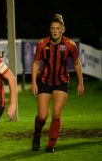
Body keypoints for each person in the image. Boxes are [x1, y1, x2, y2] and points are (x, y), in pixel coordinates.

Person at [31, 13, 84, 153]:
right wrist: (34, 83)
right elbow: (36, 64)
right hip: (44, 81)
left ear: (63, 30)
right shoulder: (42, 44)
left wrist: (80, 83)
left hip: (61, 82)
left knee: (56, 114)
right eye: (52, 28)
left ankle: (51, 145)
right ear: (50, 30)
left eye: (57, 28)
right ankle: (37, 134)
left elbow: (77, 64)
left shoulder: (70, 45)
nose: (55, 30)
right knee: (42, 116)